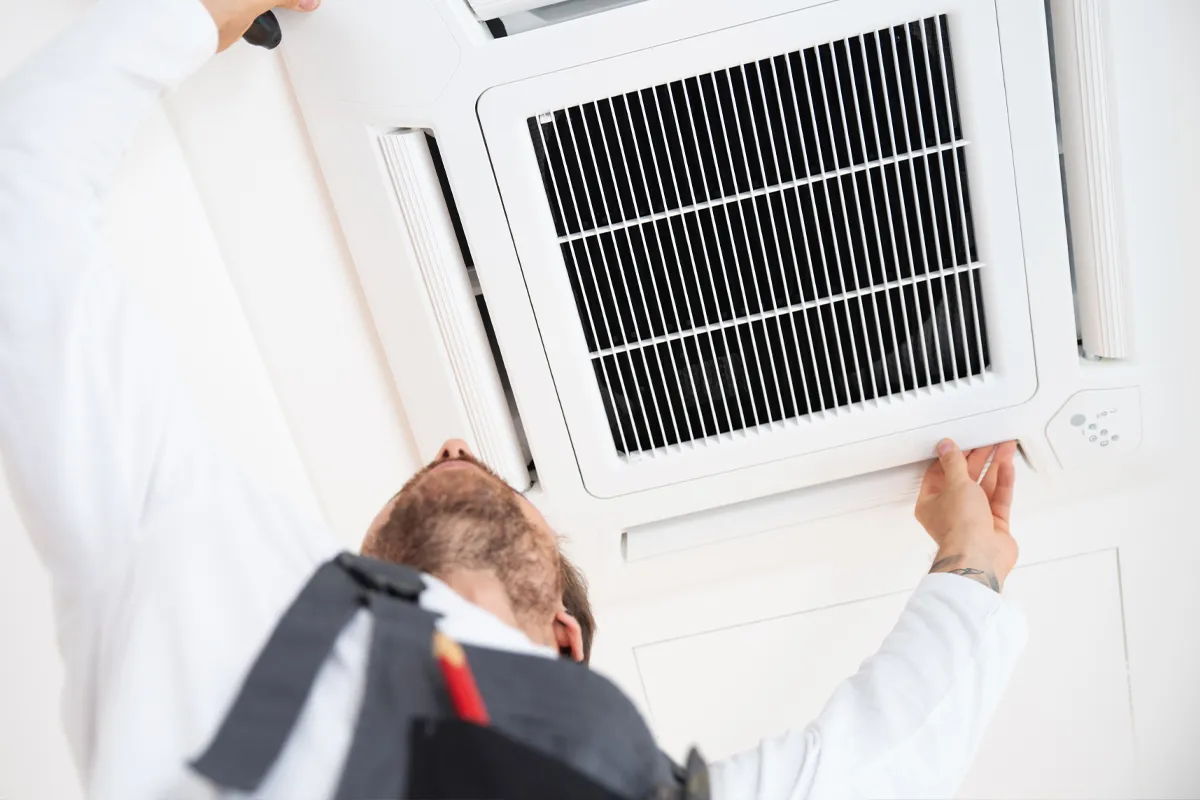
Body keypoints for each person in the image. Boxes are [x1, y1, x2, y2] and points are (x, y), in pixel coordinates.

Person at [0, 0, 1027, 797]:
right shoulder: (191, 558)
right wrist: (972, 564)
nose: (454, 446)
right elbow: (881, 764)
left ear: (564, 642)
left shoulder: (203, 560)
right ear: (566, 645)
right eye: (502, 485)